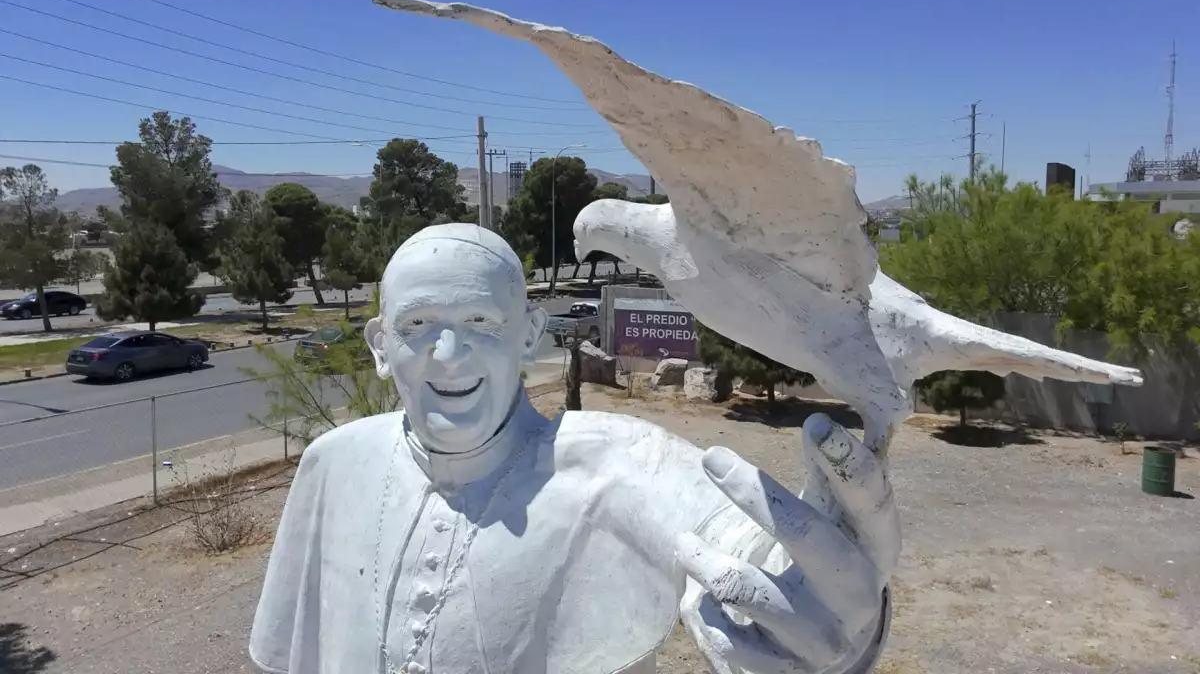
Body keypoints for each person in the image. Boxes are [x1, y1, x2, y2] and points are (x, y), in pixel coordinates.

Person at [250, 223, 899, 674]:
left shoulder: (624, 461)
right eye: (418, 326)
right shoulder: (332, 464)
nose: (447, 356)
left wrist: (836, 613)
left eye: (480, 322)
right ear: (378, 345)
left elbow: (737, 542)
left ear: (531, 336)